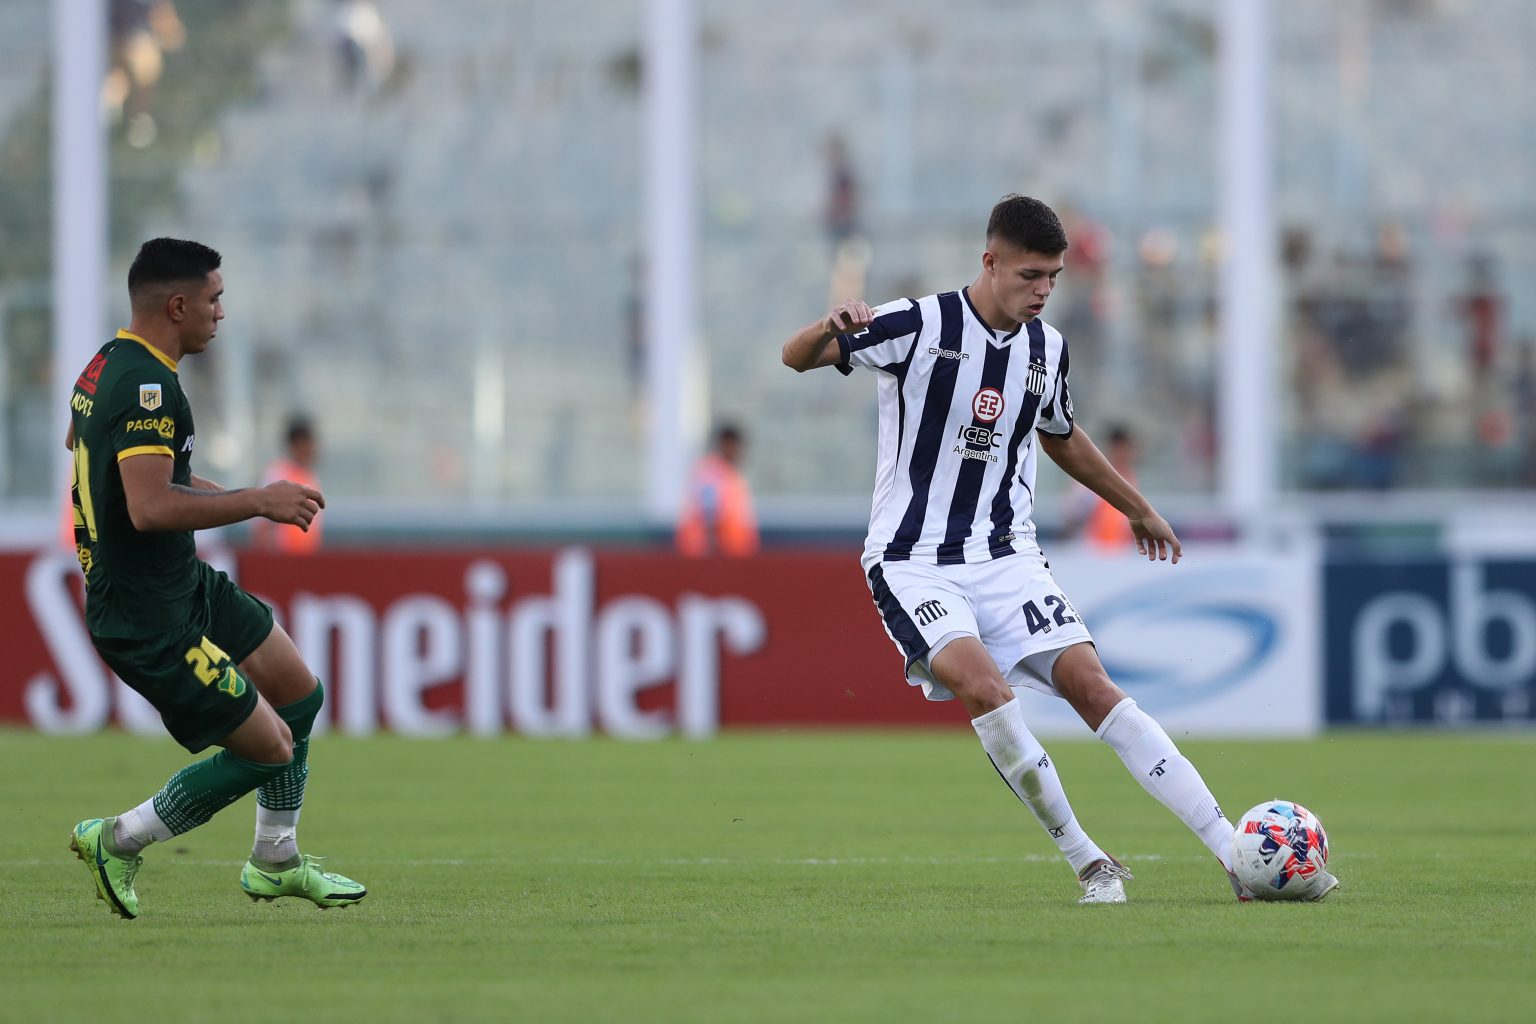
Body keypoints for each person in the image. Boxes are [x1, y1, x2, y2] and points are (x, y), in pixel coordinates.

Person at [780, 195, 1337, 904]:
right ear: (990, 262)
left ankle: (1231, 852)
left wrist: (1137, 506)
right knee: (986, 688)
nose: (1043, 291)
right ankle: (1089, 861)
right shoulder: (919, 324)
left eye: (1054, 278)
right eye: (1030, 275)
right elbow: (796, 358)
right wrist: (831, 323)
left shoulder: (1047, 349)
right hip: (914, 561)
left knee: (1097, 688)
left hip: (1007, 557)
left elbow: (1061, 433)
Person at [64, 238, 365, 918]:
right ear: (178, 305)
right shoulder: (149, 385)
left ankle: (276, 859)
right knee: (269, 748)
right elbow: (148, 506)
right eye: (214, 298)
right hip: (147, 613)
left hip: (179, 581)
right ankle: (116, 838)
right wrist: (257, 500)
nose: (221, 313)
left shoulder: (103, 364)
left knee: (299, 691)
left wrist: (237, 496)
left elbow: (111, 463)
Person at [675, 423, 759, 558]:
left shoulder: (731, 474)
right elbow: (709, 512)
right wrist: (714, 547)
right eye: (733, 446)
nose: (737, 451)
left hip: (733, 551)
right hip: (712, 553)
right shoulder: (711, 473)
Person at [251, 416, 324, 553]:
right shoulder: (276, 473)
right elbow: (261, 525)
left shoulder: (310, 477)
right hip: (281, 558)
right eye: (310, 444)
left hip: (305, 559)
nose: (314, 449)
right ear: (298, 444)